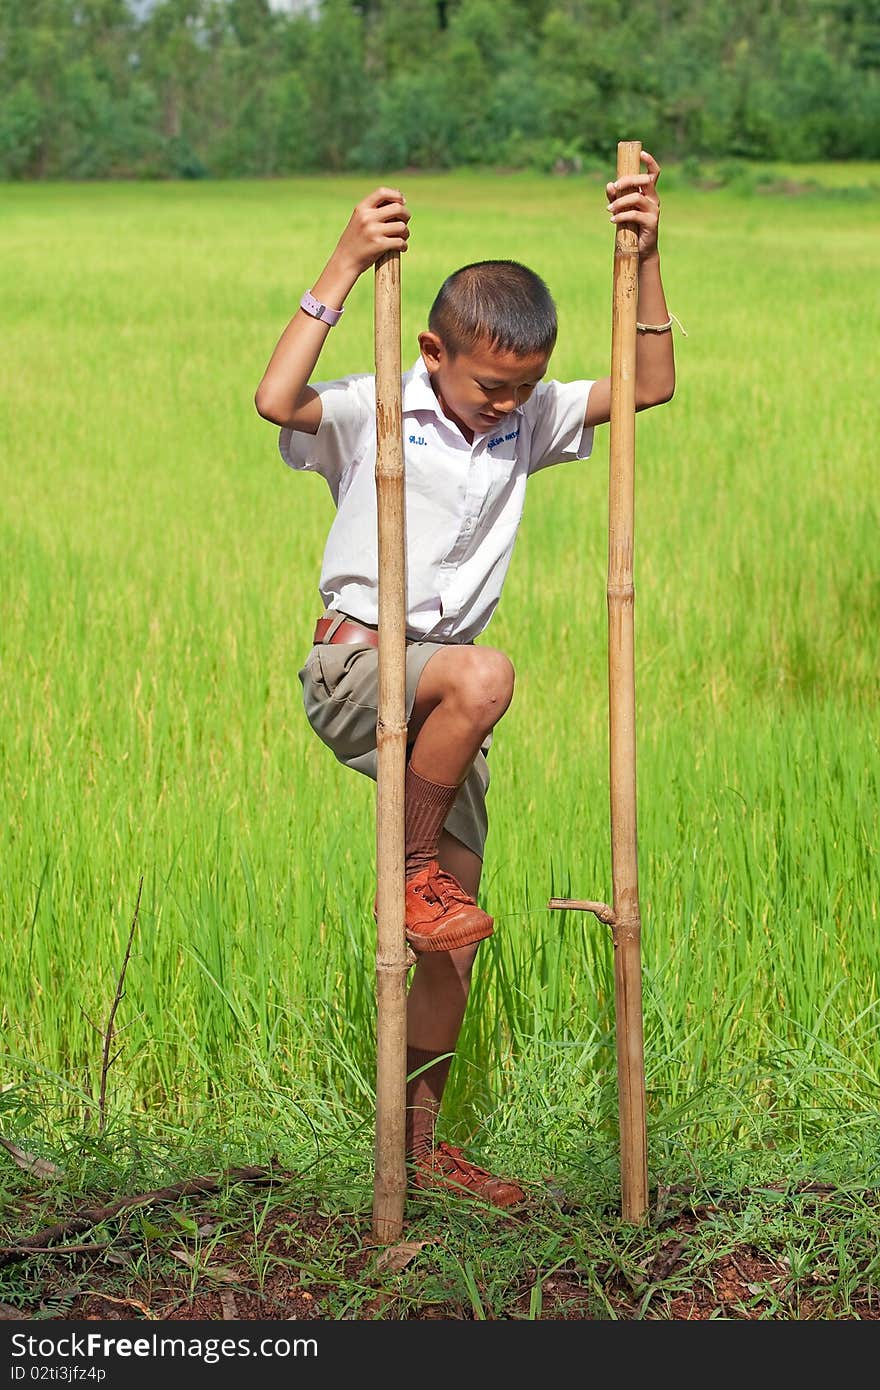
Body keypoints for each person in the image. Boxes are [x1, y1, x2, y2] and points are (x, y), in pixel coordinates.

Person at [254, 154, 675, 1208]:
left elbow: (651, 383)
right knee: (486, 673)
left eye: (525, 388)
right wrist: (345, 265)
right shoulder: (376, 404)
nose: (508, 406)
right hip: (357, 665)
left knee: (450, 947)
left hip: (441, 711)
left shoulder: (525, 422)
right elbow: (274, 397)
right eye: (490, 385)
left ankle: (419, 1149)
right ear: (434, 351)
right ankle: (409, 869)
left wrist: (648, 251)